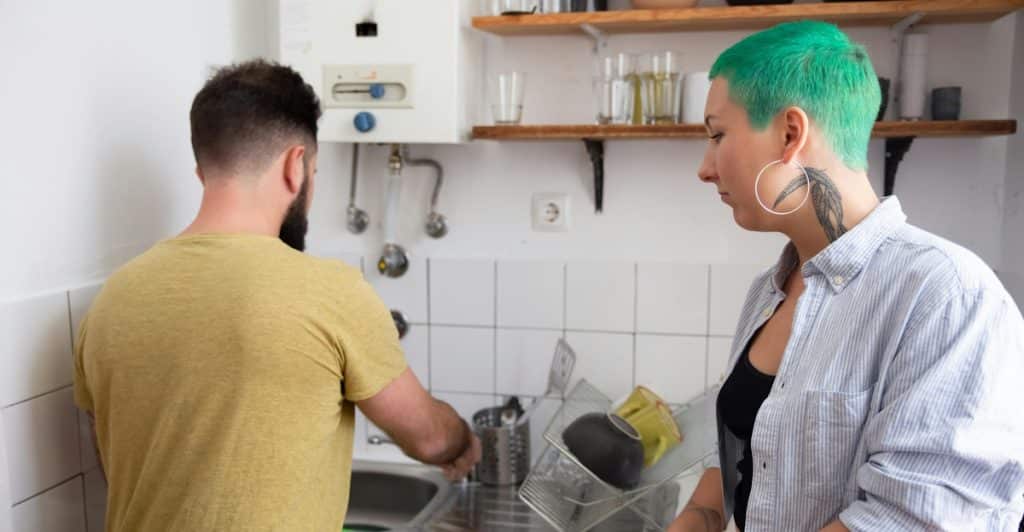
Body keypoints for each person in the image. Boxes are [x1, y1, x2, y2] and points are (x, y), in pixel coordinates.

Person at [72, 60, 480, 532]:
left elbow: (117, 461)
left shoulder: (111, 301)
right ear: (295, 166)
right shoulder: (328, 291)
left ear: (203, 172)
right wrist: (463, 441)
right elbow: (428, 439)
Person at [667, 21, 1024, 532]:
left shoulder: (946, 295)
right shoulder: (766, 295)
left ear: (791, 134)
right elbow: (739, 454)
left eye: (718, 134)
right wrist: (697, 518)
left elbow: (915, 519)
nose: (705, 168)